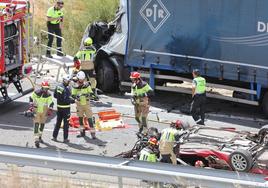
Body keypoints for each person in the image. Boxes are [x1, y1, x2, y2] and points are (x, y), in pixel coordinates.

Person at [71, 71, 97, 139]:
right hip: (79, 105)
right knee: (80, 119)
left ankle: (93, 133)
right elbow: (73, 95)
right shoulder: (75, 86)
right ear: (78, 78)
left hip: (86, 104)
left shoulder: (87, 85)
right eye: (80, 79)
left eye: (83, 79)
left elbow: (90, 92)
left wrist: (93, 96)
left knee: (90, 119)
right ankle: (82, 133)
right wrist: (77, 97)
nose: (82, 81)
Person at [29, 81, 54, 148]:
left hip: (44, 111)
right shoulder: (36, 93)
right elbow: (31, 98)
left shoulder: (48, 95)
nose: (46, 90)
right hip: (36, 110)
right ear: (42, 87)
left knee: (42, 125)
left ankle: (40, 136)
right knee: (36, 124)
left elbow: (51, 103)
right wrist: (31, 106)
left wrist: (50, 110)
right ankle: (36, 139)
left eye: (47, 88)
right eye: (44, 88)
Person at [52, 75, 73, 143]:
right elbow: (65, 100)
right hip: (66, 109)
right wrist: (73, 101)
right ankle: (65, 139)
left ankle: (54, 137)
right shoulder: (66, 89)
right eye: (68, 81)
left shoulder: (58, 86)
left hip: (59, 108)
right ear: (65, 80)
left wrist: (60, 98)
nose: (69, 82)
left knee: (58, 123)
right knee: (66, 124)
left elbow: (55, 95)